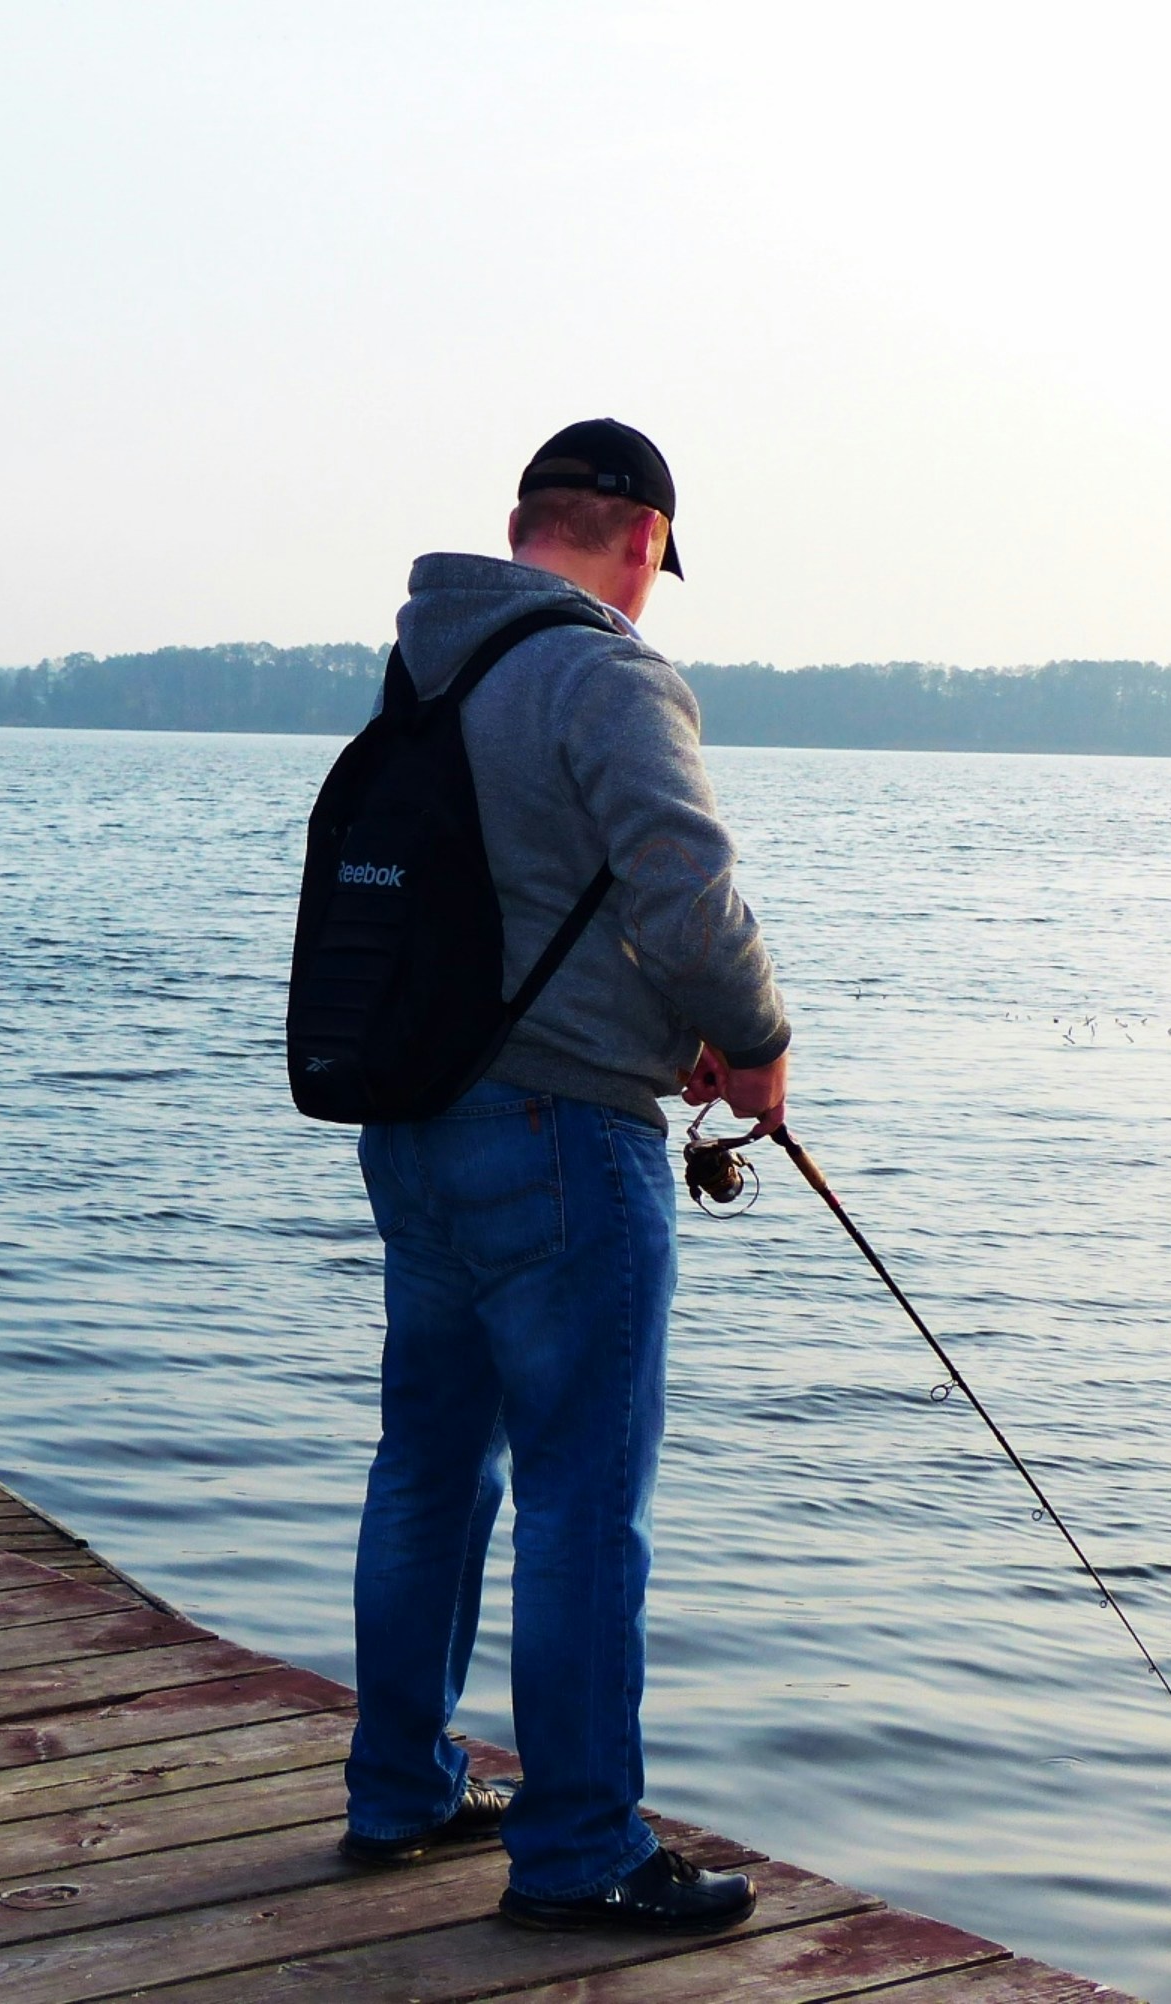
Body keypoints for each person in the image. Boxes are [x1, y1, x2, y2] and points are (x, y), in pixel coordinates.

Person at [340, 419, 791, 1933]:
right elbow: (683, 884)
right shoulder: (605, 670)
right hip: (562, 1144)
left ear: (524, 519)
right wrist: (755, 1041)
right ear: (645, 539)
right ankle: (582, 1846)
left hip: (416, 1127)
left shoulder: (431, 669)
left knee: (428, 1470)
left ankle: (400, 1785)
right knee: (585, 1500)